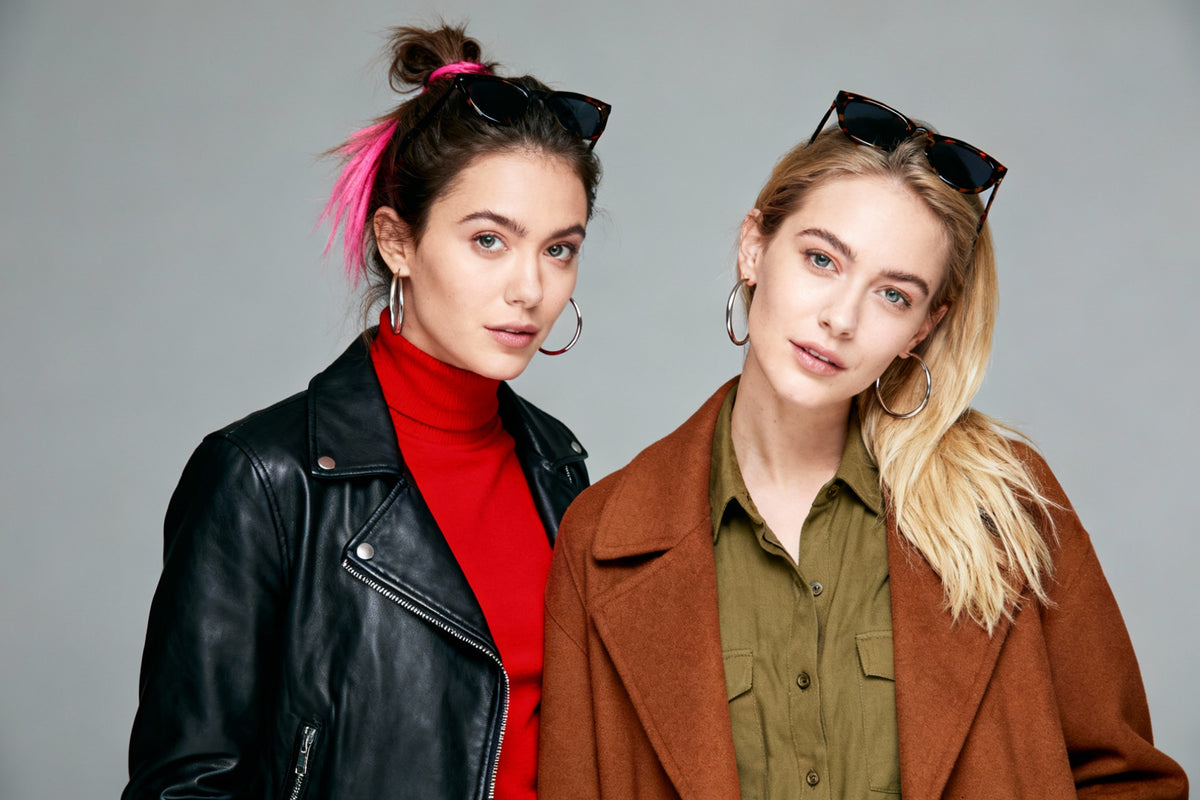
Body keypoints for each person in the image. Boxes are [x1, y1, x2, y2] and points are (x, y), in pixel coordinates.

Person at [538, 90, 1187, 799]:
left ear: (923, 329)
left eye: (893, 295)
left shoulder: (1004, 506)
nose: (840, 318)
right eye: (822, 260)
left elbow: (1128, 781)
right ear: (755, 247)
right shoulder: (603, 539)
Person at [123, 23, 610, 800]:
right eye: (490, 241)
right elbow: (185, 785)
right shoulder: (265, 480)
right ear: (397, 242)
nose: (531, 289)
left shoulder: (559, 468)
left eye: (559, 249)